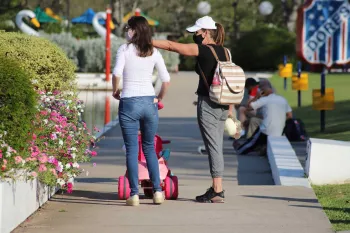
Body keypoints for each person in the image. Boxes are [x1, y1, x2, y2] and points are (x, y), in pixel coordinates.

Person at [153, 16, 235, 203]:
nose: (194, 36)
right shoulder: (227, 52)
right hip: (223, 103)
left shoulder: (203, 50)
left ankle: (217, 189)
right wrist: (231, 108)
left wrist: (146, 40)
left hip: (208, 103)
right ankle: (217, 187)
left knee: (213, 147)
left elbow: (172, 46)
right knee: (217, 146)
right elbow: (229, 80)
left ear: (206, 32)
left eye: (196, 32)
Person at [112, 16, 171, 206]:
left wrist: (115, 91)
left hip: (129, 101)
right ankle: (157, 192)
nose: (127, 31)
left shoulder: (125, 49)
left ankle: (134, 194)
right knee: (149, 148)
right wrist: (159, 97)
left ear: (135, 30)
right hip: (149, 103)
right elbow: (166, 79)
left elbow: (116, 73)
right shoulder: (153, 51)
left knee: (131, 149)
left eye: (129, 28)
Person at [234, 79, 293, 155]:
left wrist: (257, 97)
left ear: (262, 90)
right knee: (258, 136)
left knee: (252, 142)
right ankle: (262, 149)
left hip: (266, 130)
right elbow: (290, 116)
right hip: (279, 131)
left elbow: (248, 107)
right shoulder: (283, 99)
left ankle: (240, 149)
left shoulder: (265, 100)